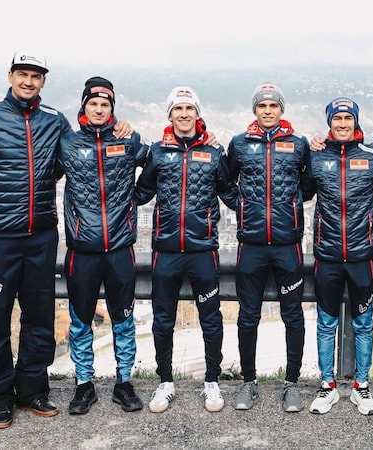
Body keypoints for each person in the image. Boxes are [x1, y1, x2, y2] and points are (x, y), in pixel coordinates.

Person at [0, 50, 131, 429]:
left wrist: (119, 130)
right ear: (11, 75)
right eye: (22, 74)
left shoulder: (56, 122)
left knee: (39, 317)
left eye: (36, 75)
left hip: (42, 236)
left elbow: (84, 155)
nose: (29, 81)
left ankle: (32, 389)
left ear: (44, 81)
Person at [134, 86, 235, 414]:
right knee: (163, 321)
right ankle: (165, 382)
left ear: (197, 113)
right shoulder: (158, 152)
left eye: (189, 108)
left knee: (211, 320)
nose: (184, 114)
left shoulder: (214, 152)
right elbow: (141, 192)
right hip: (166, 250)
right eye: (178, 109)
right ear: (170, 115)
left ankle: (211, 381)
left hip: (203, 250)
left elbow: (233, 193)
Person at [58, 76, 149, 415]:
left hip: (120, 248)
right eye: (93, 103)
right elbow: (40, 172)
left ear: (112, 109)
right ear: (84, 106)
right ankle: (84, 385)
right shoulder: (66, 143)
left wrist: (135, 198)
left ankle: (123, 383)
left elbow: (155, 165)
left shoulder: (128, 139)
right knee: (80, 320)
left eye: (105, 104)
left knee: (122, 319)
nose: (99, 109)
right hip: (82, 250)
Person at [220, 82, 311, 413]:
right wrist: (242, 206)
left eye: (274, 106)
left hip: (287, 245)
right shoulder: (240, 144)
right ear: (255, 111)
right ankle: (248, 381)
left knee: (293, 317)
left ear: (281, 110)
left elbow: (309, 186)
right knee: (248, 317)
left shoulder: (299, 145)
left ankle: (292, 384)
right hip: (252, 246)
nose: (268, 111)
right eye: (262, 106)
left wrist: (292, 207)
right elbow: (224, 181)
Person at [302, 97, 373, 416]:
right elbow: (303, 191)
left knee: (364, 324)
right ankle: (327, 387)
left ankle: (361, 388)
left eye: (347, 118)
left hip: (362, 256)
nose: (342, 123)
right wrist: (307, 151)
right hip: (327, 255)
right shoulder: (317, 155)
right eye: (336, 118)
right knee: (326, 324)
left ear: (355, 121)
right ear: (329, 122)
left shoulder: (370, 155)